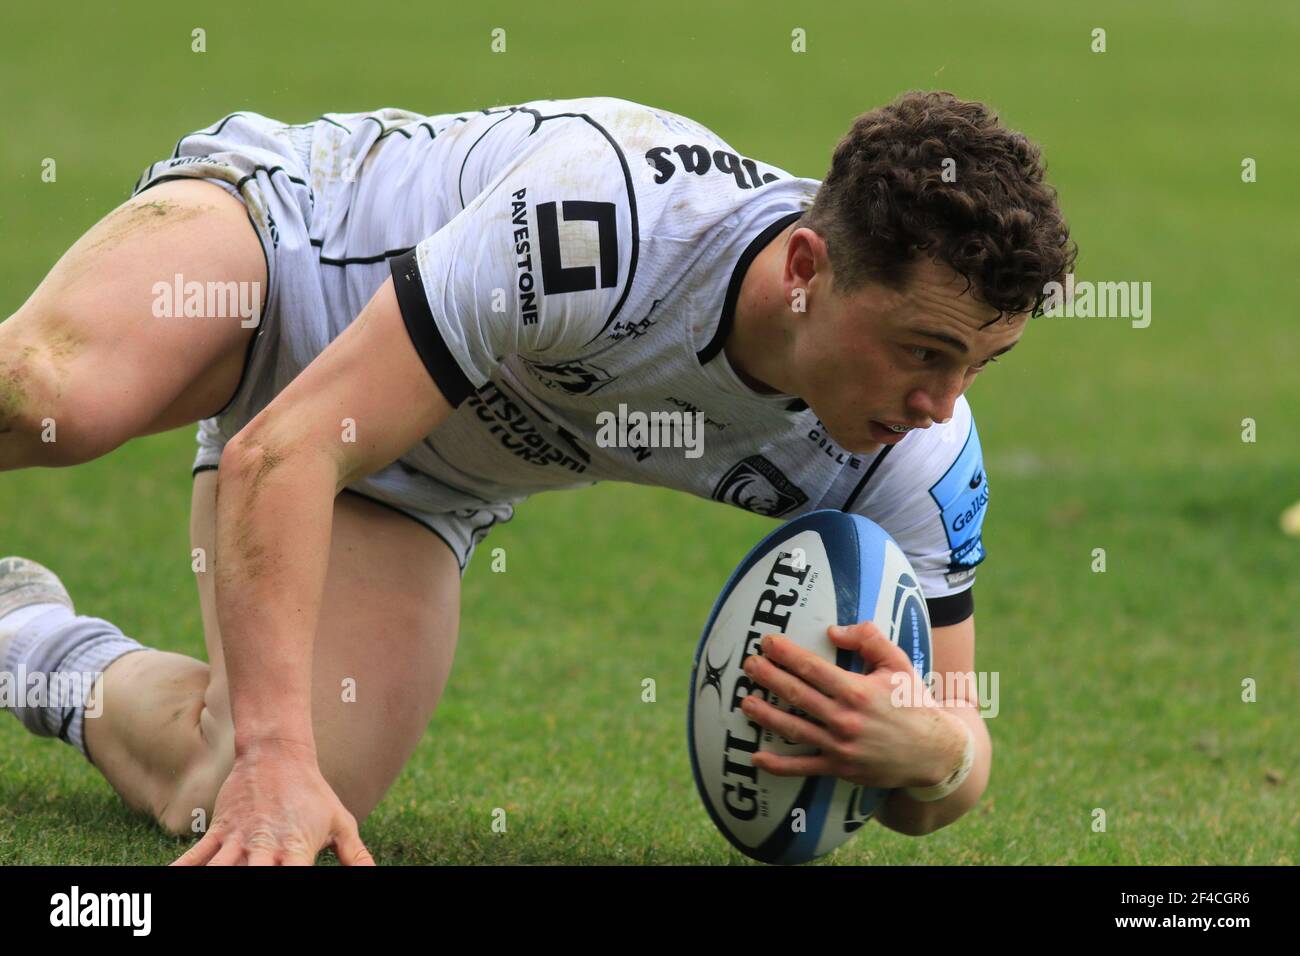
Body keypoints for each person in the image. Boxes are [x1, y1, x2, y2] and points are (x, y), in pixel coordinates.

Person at [0, 91, 1074, 865]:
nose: (945, 397)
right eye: (924, 350)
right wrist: (276, 753)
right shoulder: (601, 220)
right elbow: (284, 448)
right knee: (53, 396)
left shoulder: (916, 449)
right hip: (290, 254)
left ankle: (23, 635)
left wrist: (926, 751)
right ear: (806, 270)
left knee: (238, 794)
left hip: (412, 475)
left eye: (981, 361)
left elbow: (957, 746)